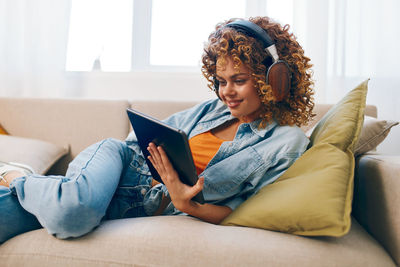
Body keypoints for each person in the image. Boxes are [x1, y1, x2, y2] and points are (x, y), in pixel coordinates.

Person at [0, 16, 314, 243]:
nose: (226, 92)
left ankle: (22, 182)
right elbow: (138, 141)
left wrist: (186, 204)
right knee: (72, 212)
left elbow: (245, 211)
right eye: (221, 81)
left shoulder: (286, 143)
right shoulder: (212, 110)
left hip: (136, 205)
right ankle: (18, 174)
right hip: (119, 164)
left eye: (239, 80)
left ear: (274, 80)